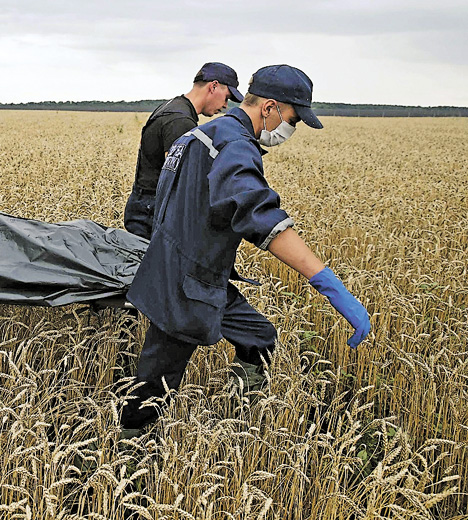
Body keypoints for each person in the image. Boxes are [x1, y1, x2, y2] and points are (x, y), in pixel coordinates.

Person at [120, 64, 372, 430]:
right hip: (186, 285)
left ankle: (238, 418)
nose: (292, 129)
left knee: (259, 338)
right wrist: (330, 285)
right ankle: (132, 456)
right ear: (269, 108)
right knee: (155, 386)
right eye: (292, 119)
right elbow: (258, 213)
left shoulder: (201, 136)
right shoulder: (234, 145)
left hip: (191, 275)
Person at [124, 62, 244, 240]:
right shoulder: (180, 121)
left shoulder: (171, 107)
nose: (226, 105)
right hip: (152, 212)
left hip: (143, 206)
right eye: (226, 97)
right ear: (213, 86)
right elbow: (179, 181)